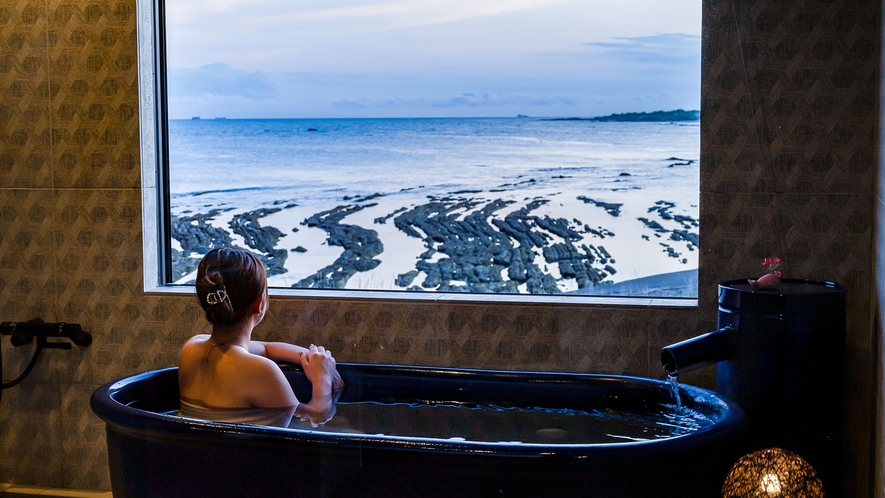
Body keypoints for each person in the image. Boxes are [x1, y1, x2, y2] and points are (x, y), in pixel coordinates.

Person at [178, 247, 342, 427]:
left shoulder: (192, 348)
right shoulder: (261, 370)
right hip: (244, 454)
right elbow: (317, 415)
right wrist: (322, 381)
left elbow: (266, 348)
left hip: (195, 452)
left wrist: (309, 356)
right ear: (259, 304)